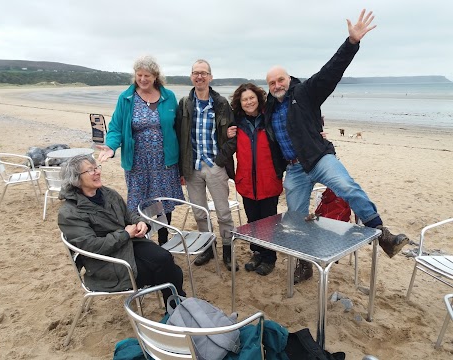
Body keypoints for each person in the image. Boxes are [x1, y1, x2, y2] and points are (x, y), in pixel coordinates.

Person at [264, 9, 409, 283]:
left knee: (348, 188)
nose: (276, 85)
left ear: (289, 79)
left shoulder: (305, 92)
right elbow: (252, 119)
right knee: (295, 219)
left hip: (318, 159)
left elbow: (332, 71)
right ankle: (305, 263)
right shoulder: (269, 108)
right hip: (294, 170)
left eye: (280, 79)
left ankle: (383, 234)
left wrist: (351, 42)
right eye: (271, 82)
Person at [57, 154, 186, 306]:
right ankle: (178, 310)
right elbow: (91, 246)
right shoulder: (69, 213)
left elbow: (128, 214)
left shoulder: (107, 193)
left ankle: (176, 310)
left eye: (97, 167)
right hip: (105, 263)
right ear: (76, 179)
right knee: (171, 271)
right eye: (90, 170)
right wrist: (125, 234)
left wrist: (140, 222)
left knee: (165, 258)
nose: (97, 172)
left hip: (127, 246)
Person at [97, 55, 184, 246]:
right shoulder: (126, 98)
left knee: (163, 203)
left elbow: (179, 128)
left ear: (155, 77)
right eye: (139, 75)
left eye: (147, 75)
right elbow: (116, 127)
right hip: (137, 163)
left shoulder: (168, 97)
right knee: (140, 203)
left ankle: (163, 240)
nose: (143, 79)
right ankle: (143, 241)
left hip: (165, 162)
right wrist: (111, 146)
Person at [175, 59, 237, 271]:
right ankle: (208, 248)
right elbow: (178, 135)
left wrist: (220, 160)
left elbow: (233, 136)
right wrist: (180, 168)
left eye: (203, 73)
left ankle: (228, 250)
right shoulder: (184, 103)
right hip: (192, 167)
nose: (199, 76)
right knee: (200, 213)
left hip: (215, 166)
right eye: (195, 73)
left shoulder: (221, 104)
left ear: (210, 77)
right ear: (191, 77)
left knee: (223, 212)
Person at [227, 83, 284, 276]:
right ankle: (257, 252)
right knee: (253, 221)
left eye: (252, 98)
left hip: (268, 180)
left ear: (258, 99)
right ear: (239, 103)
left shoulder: (269, 119)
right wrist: (227, 134)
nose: (249, 102)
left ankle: (269, 257)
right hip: (246, 181)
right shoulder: (236, 122)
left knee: (268, 221)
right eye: (244, 99)